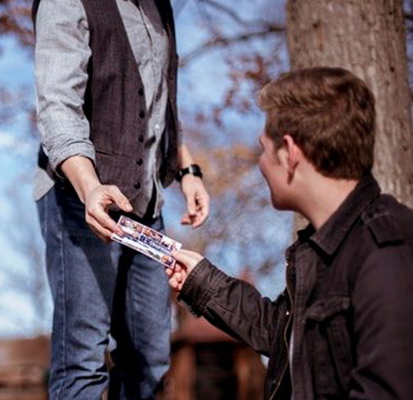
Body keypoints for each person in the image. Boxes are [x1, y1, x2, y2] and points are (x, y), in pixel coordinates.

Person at [166, 67, 413, 400]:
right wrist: (201, 280)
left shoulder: (387, 253)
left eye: (264, 150)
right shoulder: (324, 250)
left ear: (290, 152)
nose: (261, 164)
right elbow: (280, 331)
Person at [32, 0, 210, 398]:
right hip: (79, 200)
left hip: (145, 207)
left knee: (150, 359)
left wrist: (187, 169)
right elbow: (57, 107)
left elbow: (159, 102)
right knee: (82, 361)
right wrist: (89, 185)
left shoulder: (159, 9)